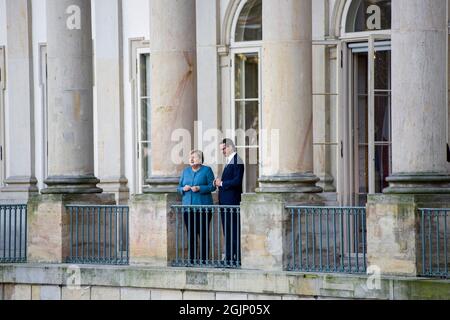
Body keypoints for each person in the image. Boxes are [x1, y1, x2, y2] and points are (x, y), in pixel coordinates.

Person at [177, 150, 216, 265]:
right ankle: (192, 260)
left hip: (203, 208)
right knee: (191, 234)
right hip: (188, 209)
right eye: (190, 157)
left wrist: (200, 188)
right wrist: (183, 189)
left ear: (200, 159)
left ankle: (204, 260)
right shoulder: (185, 171)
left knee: (203, 234)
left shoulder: (207, 170)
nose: (191, 159)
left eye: (193, 157)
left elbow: (212, 187)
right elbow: (179, 187)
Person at [214, 139, 245, 266]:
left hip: (232, 202)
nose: (222, 151)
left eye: (224, 149)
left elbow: (237, 181)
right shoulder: (230, 161)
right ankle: (229, 258)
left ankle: (236, 258)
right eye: (221, 149)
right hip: (225, 202)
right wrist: (218, 182)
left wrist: (221, 183)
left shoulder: (238, 160)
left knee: (234, 230)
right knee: (227, 230)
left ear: (231, 147)